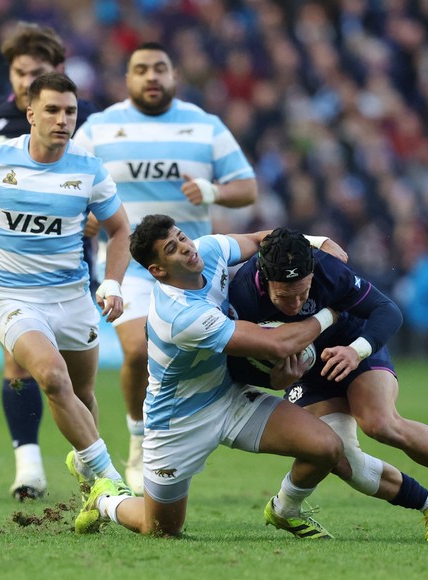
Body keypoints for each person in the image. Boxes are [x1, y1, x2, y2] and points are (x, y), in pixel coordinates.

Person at [0, 72, 132, 502]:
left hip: (73, 297)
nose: (62, 119)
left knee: (84, 393)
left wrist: (111, 280)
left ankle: (88, 474)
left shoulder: (89, 170)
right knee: (53, 379)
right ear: (30, 114)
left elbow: (121, 229)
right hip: (12, 297)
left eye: (70, 111)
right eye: (52, 110)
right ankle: (111, 478)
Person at [226, 228, 428, 532]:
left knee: (380, 423)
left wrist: (356, 351)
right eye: (284, 297)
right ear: (264, 279)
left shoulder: (328, 270)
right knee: (340, 457)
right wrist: (277, 380)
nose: (296, 304)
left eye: (304, 293)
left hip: (354, 346)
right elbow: (239, 367)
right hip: (306, 374)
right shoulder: (241, 299)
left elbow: (387, 310)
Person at [73, 214, 351, 539]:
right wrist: (333, 311)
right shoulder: (182, 315)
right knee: (160, 527)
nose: (187, 248)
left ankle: (285, 509)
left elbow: (263, 238)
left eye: (182, 237)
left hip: (228, 396)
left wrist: (317, 242)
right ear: (158, 271)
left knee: (327, 448)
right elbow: (277, 344)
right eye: (173, 249)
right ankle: (105, 500)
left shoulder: (209, 250)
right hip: (178, 422)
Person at [72, 42, 258, 494]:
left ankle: (197, 435)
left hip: (191, 272)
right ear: (127, 79)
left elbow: (247, 187)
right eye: (140, 69)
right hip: (128, 266)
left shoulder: (204, 126)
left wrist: (212, 192)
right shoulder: (99, 128)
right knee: (138, 350)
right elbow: (67, 183)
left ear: (174, 74)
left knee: (198, 360)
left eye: (159, 68)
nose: (151, 76)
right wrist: (85, 214)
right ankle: (139, 440)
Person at [0, 22, 98, 500]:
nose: (22, 81)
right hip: (14, 264)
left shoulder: (82, 118)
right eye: (17, 72)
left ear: (54, 72)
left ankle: (92, 468)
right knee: (19, 365)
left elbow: (102, 187)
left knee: (78, 382)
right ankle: (29, 466)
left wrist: (98, 222)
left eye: (34, 72)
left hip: (72, 261)